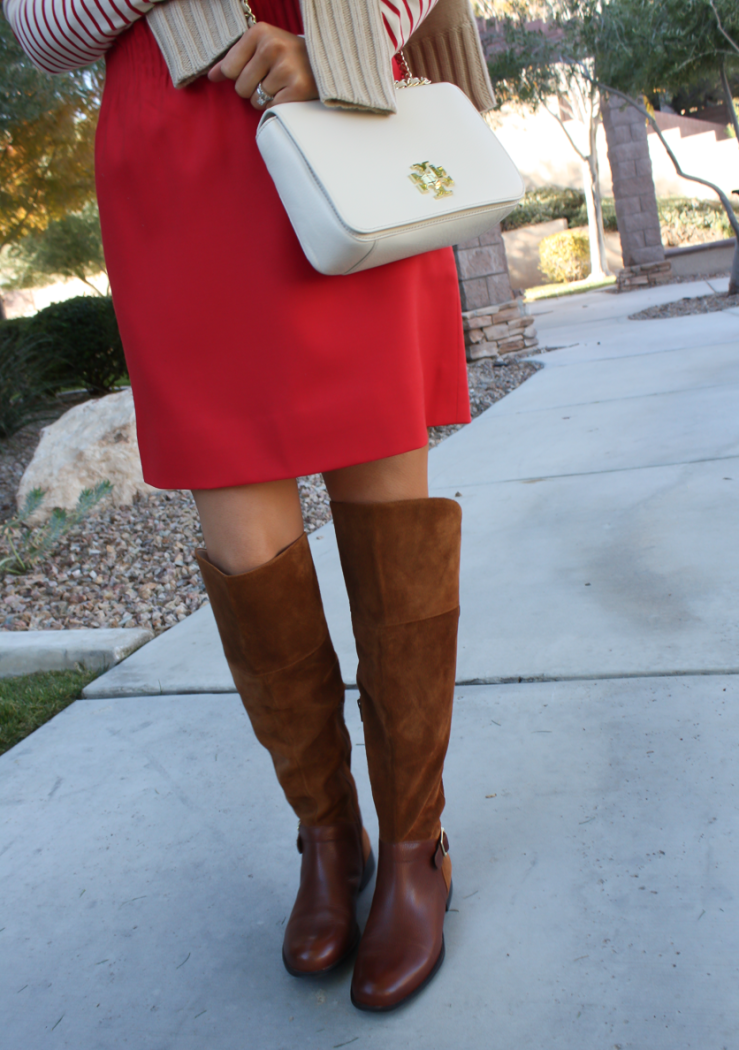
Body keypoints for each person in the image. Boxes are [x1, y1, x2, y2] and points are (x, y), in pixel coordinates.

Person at [5, 0, 495, 1011]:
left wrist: (342, 49)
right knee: (242, 541)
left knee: (387, 506)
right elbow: (43, 32)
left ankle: (414, 843)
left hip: (344, 101)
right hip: (180, 145)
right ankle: (329, 837)